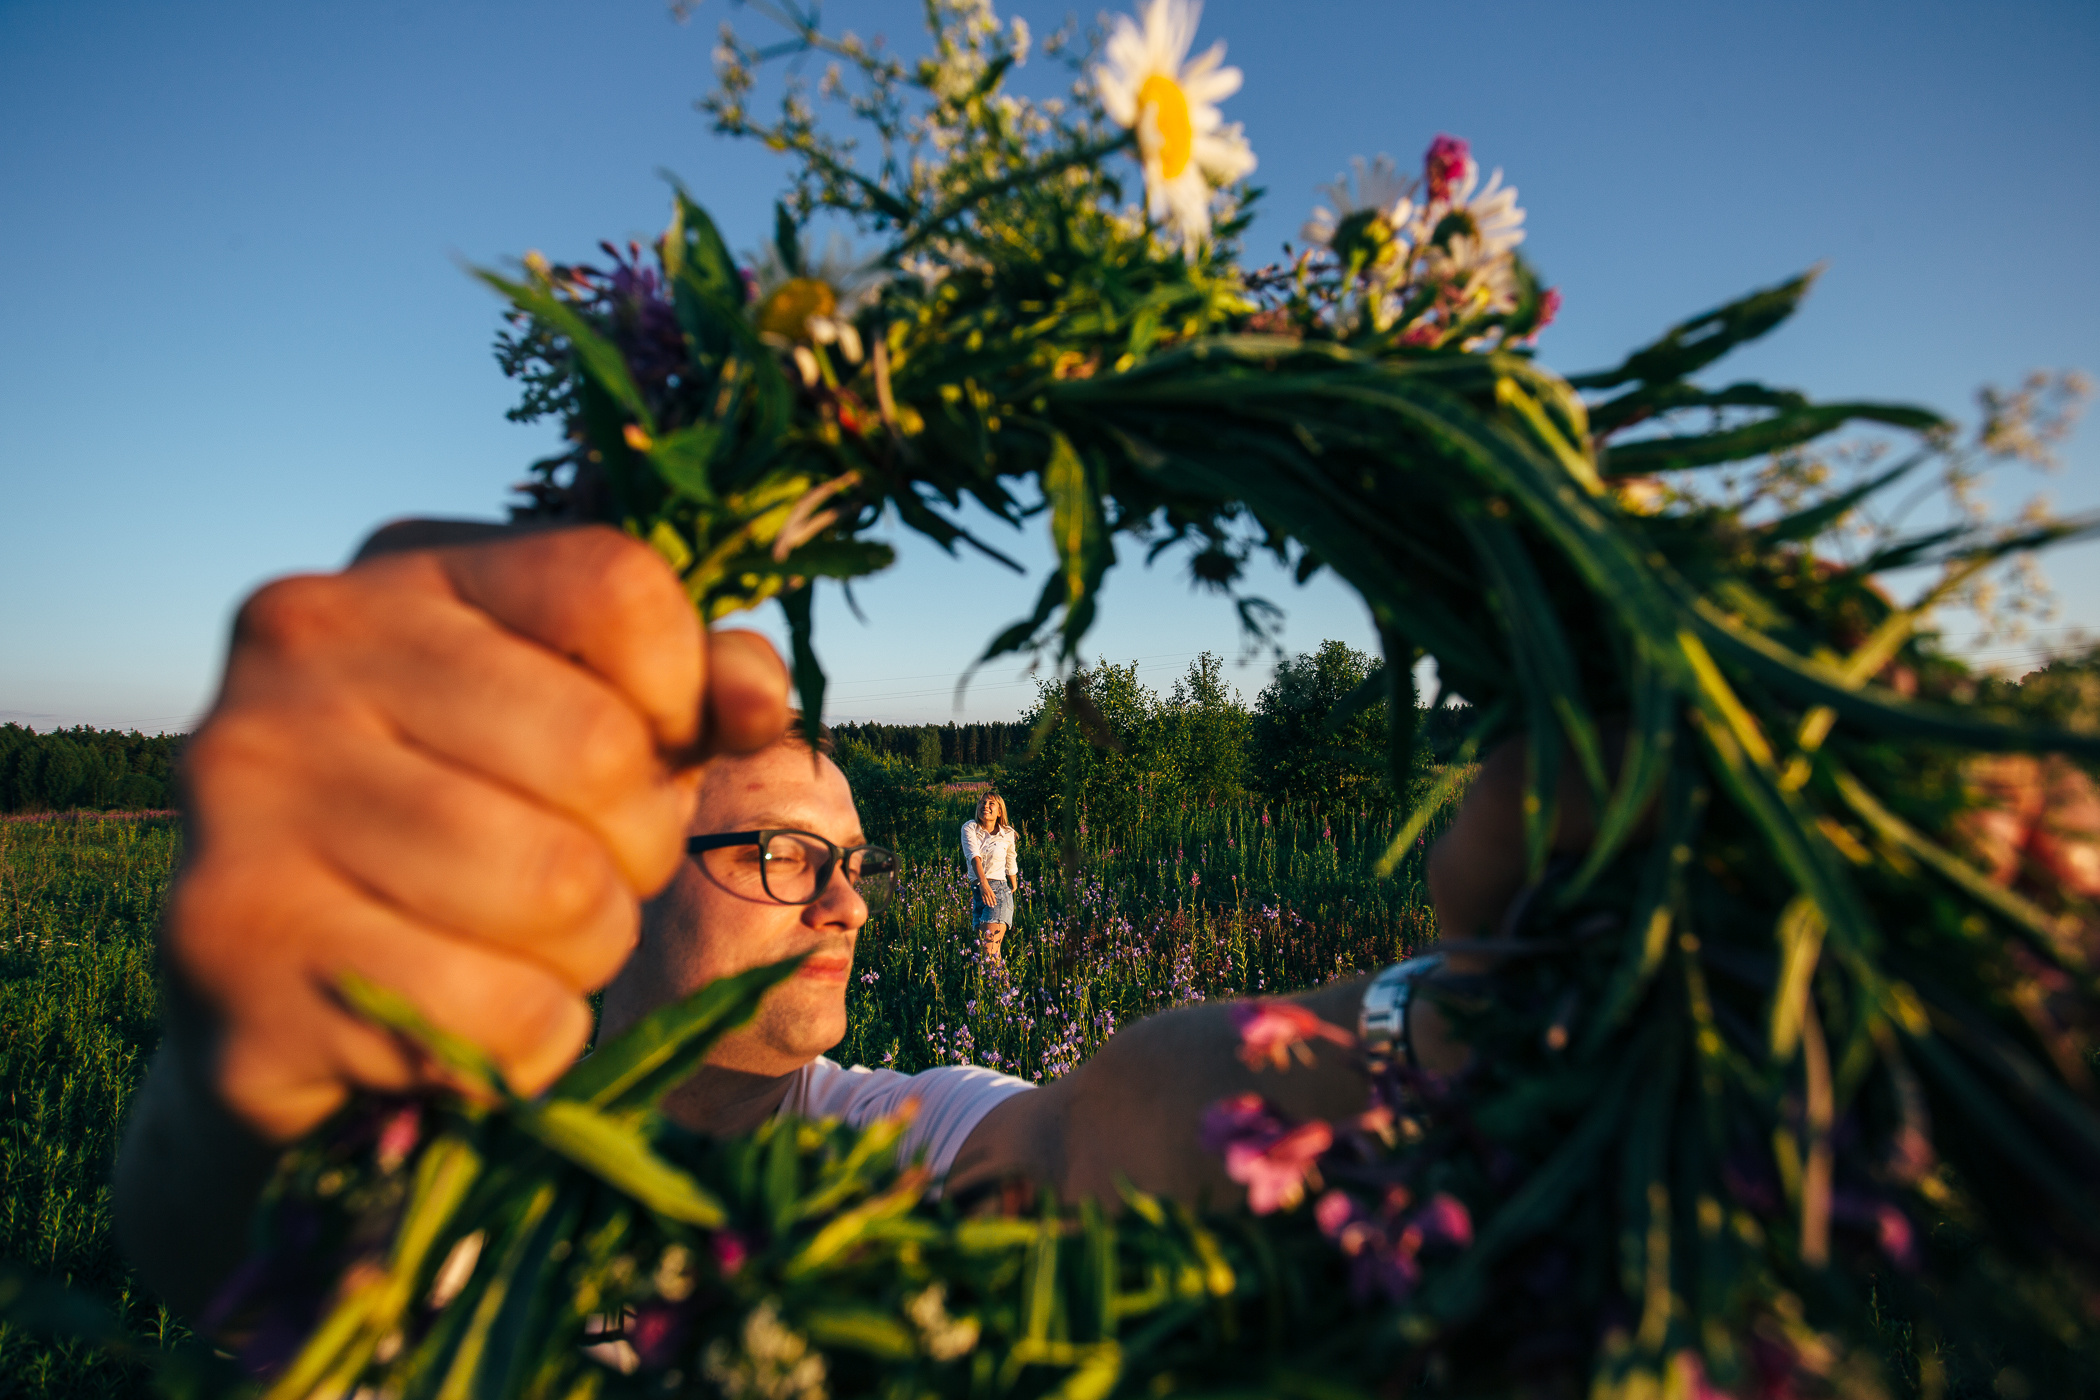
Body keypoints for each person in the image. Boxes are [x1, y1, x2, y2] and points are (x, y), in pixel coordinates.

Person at [112, 523, 1544, 1321]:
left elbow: (1104, 1127)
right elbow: (236, 1245)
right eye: (791, 856)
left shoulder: (894, 1142)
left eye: (852, 858)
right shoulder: (465, 1170)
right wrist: (223, 1113)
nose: (852, 902)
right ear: (601, 866)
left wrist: (1460, 1013)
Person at [960, 792, 1018, 964]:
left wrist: (1013, 884)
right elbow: (973, 856)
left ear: (1000, 811)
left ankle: (1001, 990)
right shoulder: (969, 828)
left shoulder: (1007, 833)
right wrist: (983, 885)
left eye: (991, 803)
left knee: (989, 952)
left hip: (997, 893)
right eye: (982, 802)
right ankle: (998, 990)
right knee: (989, 954)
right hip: (979, 893)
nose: (985, 806)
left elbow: (1011, 858)